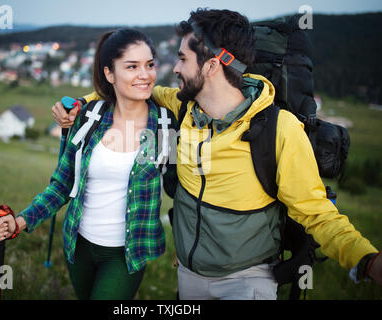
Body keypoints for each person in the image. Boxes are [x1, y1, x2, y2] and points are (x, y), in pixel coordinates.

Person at [52, 9, 382, 300]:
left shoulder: (279, 131)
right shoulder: (182, 105)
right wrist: (79, 105)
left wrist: (367, 260)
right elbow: (131, 87)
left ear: (212, 64)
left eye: (182, 59)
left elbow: (318, 213)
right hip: (189, 276)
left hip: (248, 281)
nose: (175, 68)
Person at [0, 28, 178, 300]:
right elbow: (62, 185)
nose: (145, 75)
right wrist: (19, 222)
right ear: (109, 74)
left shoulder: (165, 125)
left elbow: (179, 190)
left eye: (149, 65)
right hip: (78, 247)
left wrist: (188, 248)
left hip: (127, 253)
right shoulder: (88, 118)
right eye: (132, 66)